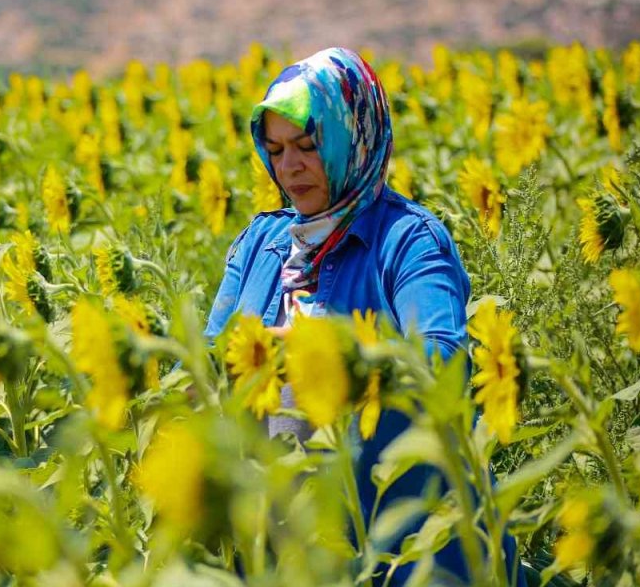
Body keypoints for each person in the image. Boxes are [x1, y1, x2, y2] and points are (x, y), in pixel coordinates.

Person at [204, 47, 518, 584]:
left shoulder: (407, 240)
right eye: (275, 149)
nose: (290, 167)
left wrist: (328, 351)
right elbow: (210, 361)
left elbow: (442, 360)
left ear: (355, 136)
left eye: (308, 145)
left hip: (405, 553)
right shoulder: (261, 243)